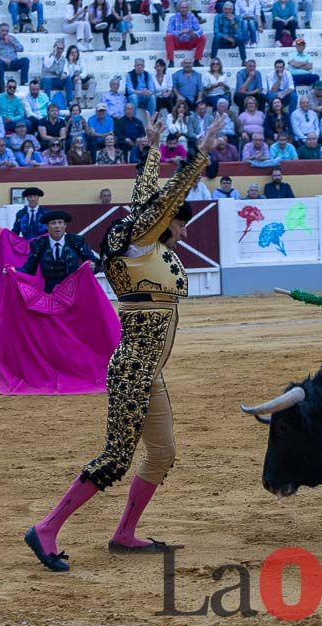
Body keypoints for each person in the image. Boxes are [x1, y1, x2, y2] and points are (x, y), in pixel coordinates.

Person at [23, 111, 225, 571]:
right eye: (181, 225)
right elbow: (164, 200)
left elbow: (148, 199)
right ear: (166, 223)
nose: (184, 232)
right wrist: (199, 156)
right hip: (135, 368)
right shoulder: (139, 240)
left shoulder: (138, 237)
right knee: (117, 457)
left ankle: (124, 533)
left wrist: (151, 149)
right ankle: (47, 528)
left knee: (163, 453)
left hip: (148, 371)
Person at [18, 210, 101, 293]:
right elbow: (29, 269)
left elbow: (94, 261)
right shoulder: (39, 244)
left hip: (74, 290)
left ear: (65, 225)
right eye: (53, 223)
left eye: (60, 222)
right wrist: (13, 271)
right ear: (47, 226)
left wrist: (93, 266)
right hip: (50, 291)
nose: (57, 226)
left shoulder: (76, 241)